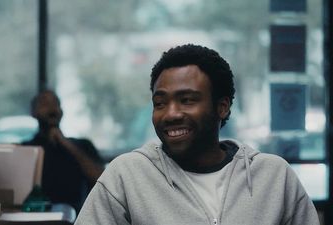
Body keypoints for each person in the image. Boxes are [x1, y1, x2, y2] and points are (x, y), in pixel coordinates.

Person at [74, 44, 320, 225]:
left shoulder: (274, 177)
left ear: (221, 107)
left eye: (187, 100)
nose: (170, 114)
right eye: (160, 103)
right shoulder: (127, 176)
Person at [22, 89, 104, 213]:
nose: (52, 108)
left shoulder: (83, 145)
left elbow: (101, 180)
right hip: (37, 216)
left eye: (56, 104)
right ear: (33, 113)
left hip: (76, 218)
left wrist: (65, 143)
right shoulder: (26, 149)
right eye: (45, 104)